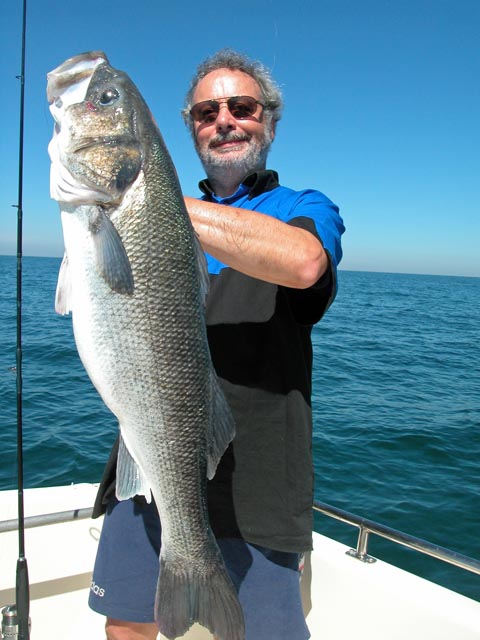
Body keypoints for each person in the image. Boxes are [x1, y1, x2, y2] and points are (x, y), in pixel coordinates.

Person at [88, 48, 345, 640]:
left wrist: (140, 195)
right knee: (127, 625)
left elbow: (304, 262)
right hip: (151, 455)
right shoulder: (142, 212)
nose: (224, 120)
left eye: (242, 107)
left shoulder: (303, 207)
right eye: (207, 112)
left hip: (259, 479)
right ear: (192, 128)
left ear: (269, 122)